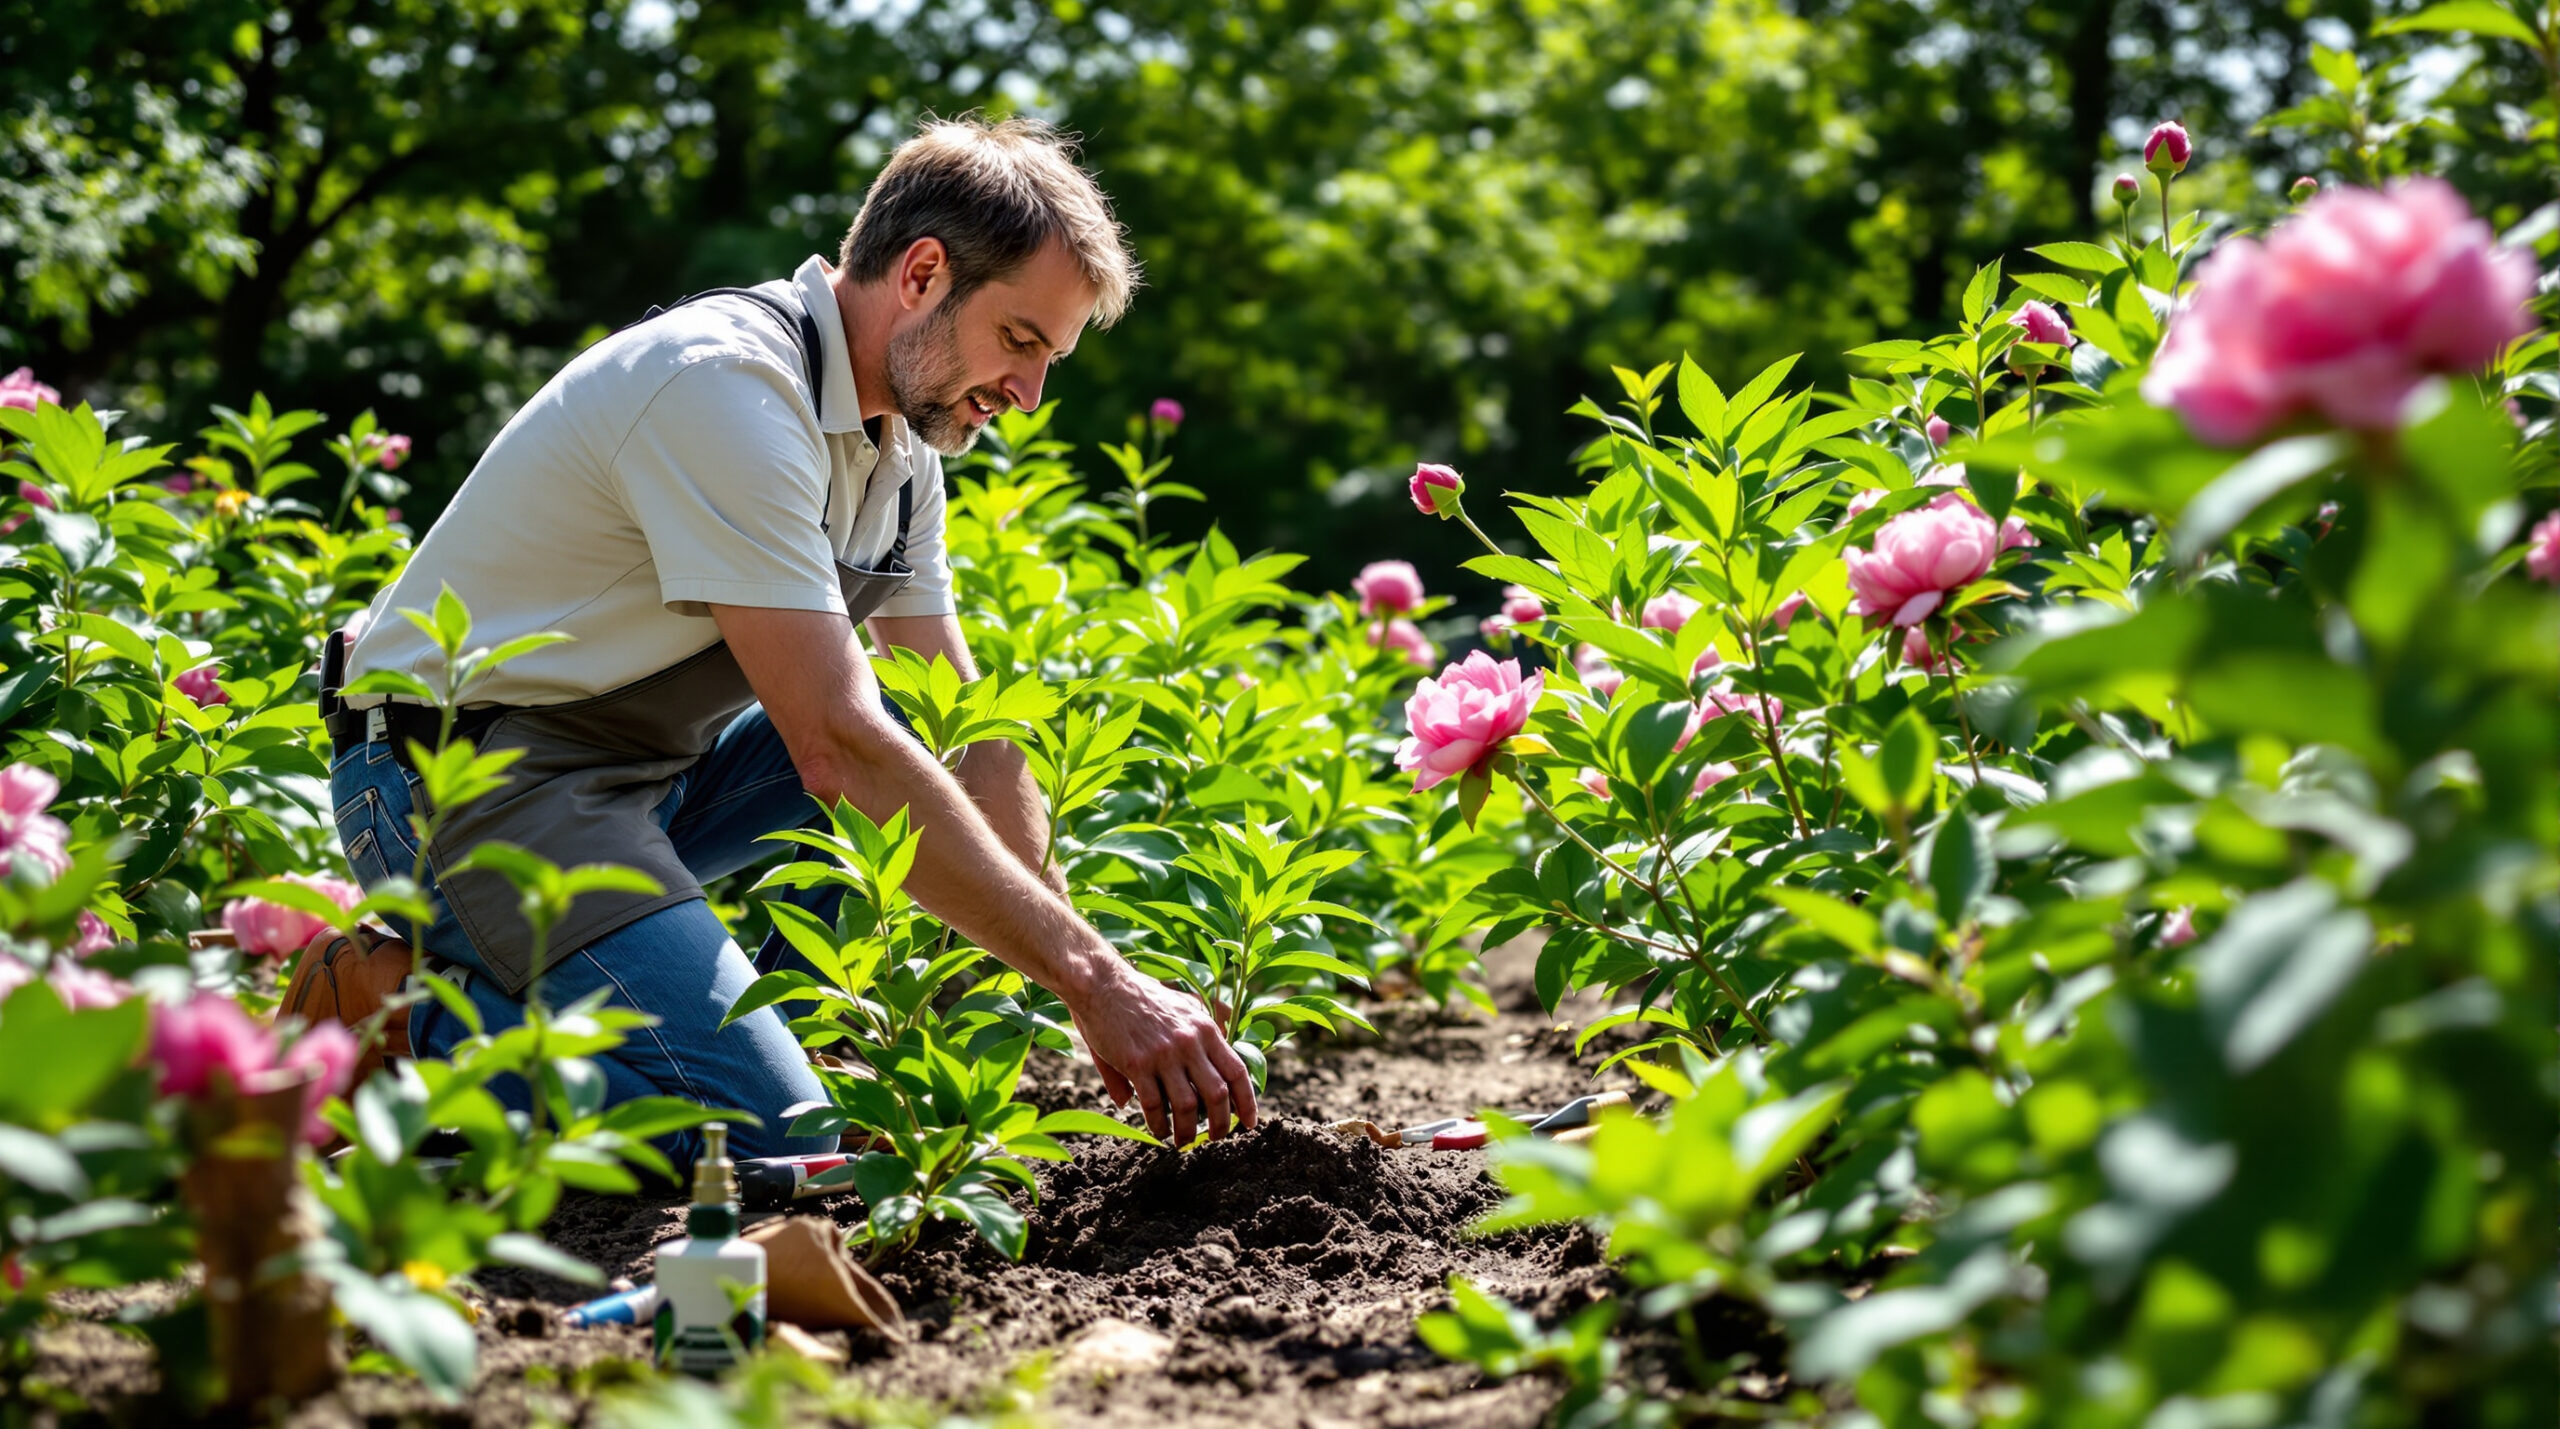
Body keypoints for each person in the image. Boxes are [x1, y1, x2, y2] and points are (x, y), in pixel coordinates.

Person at [306, 116, 1255, 1164]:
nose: (1028, 396)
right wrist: (1097, 981)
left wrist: (1080, 972)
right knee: (768, 1139)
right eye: (1021, 342)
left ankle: (762, 1036)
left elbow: (970, 733)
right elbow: (832, 746)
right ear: (923, 273)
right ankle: (406, 1014)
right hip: (463, 772)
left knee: (922, 723)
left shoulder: (902, 455)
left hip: (646, 772)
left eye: (1051, 360)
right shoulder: (726, 386)